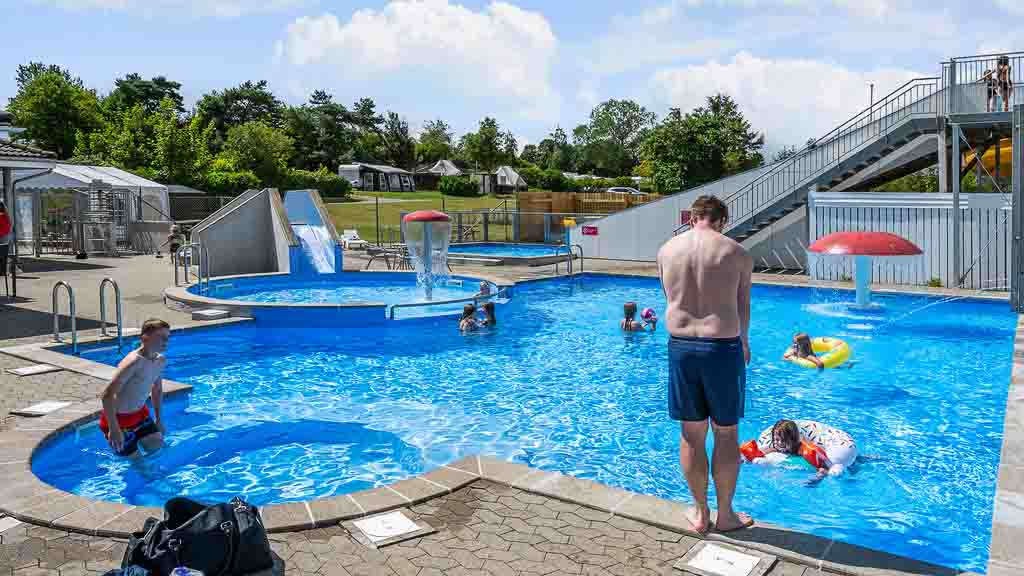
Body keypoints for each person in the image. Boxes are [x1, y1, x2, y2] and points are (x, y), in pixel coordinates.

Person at [657, 194, 753, 534]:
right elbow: (742, 306)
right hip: (722, 348)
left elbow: (670, 296)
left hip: (681, 348)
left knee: (691, 433)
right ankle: (725, 516)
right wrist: (744, 343)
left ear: (692, 217)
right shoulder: (737, 253)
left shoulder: (667, 250)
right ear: (723, 220)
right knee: (725, 434)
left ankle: (700, 514)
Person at [100, 318, 171, 457]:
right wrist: (114, 429)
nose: (166, 341)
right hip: (119, 421)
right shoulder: (133, 362)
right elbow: (107, 395)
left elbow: (157, 390)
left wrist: (159, 420)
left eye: (167, 337)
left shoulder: (160, 360)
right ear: (145, 338)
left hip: (140, 416)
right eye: (161, 337)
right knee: (139, 465)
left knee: (159, 450)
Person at [0, 201, 11, 285]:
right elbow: (8, 227)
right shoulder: (6, 216)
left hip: (2, 237)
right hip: (5, 238)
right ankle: (4, 271)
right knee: (4, 256)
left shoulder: (1, 216)